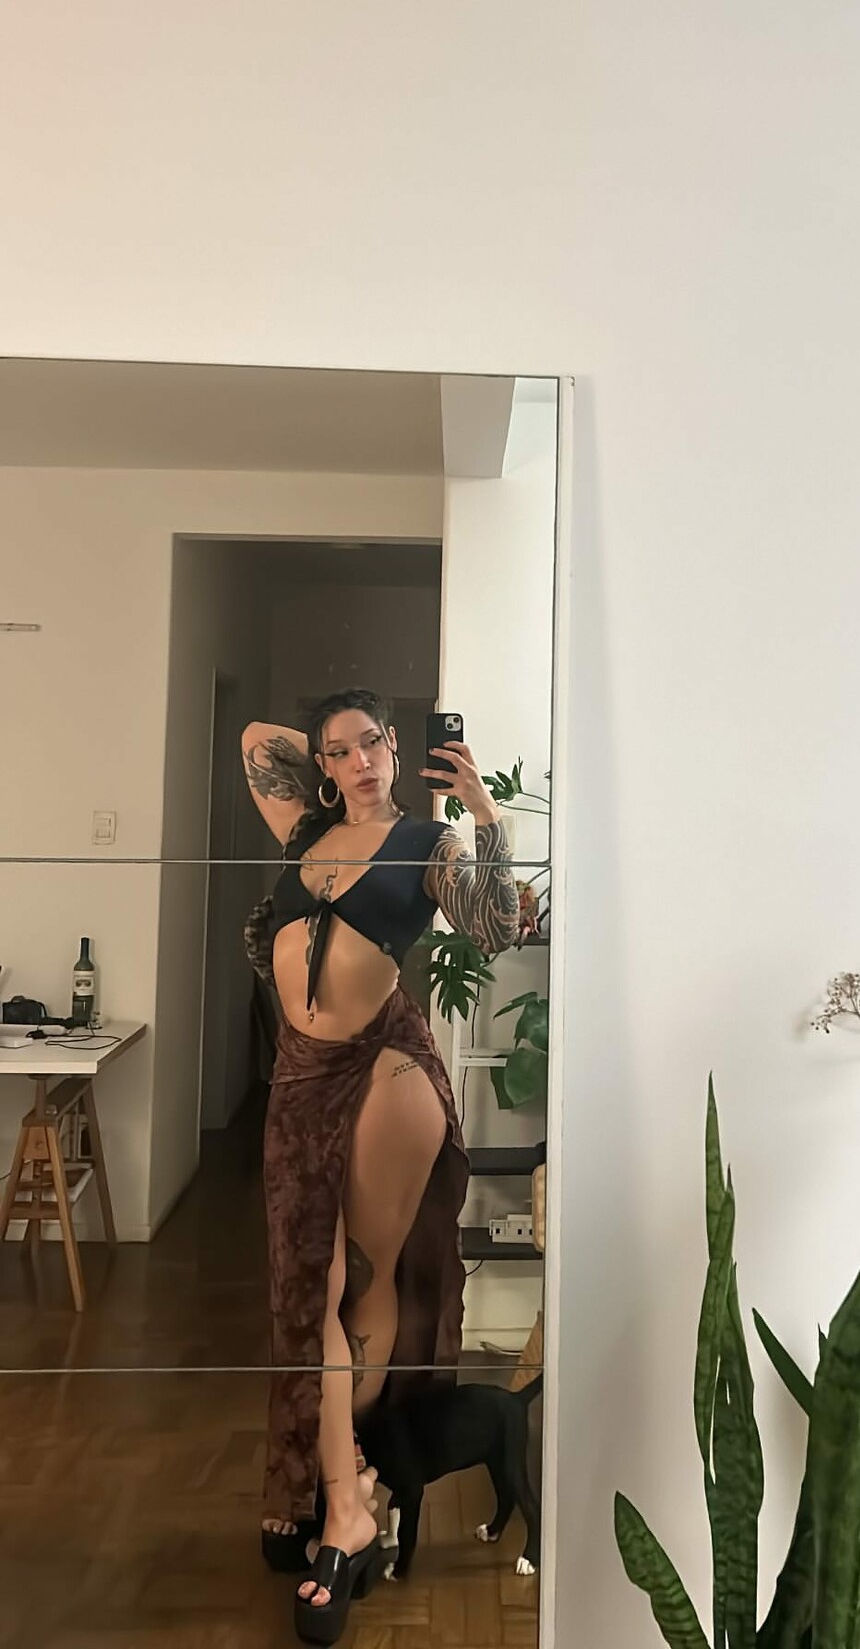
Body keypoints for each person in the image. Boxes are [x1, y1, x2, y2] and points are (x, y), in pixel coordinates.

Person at [240, 688, 519, 1644]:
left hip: (383, 1070)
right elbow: (256, 739)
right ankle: (345, 1482)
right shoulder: (306, 833)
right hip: (300, 1079)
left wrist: (481, 813)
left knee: (358, 1278)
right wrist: (332, 772)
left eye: (373, 744)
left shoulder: (426, 846)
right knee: (303, 1291)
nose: (360, 761)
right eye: (340, 751)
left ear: (398, 748)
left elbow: (494, 928)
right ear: (322, 766)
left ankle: (347, 1507)